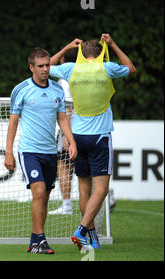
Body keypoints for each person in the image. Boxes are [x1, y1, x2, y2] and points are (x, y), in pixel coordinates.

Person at [50, 34, 136, 250]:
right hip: (100, 136)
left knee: (84, 186)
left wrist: (66, 47)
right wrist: (114, 44)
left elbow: (45, 66)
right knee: (102, 189)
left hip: (77, 137)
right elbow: (131, 68)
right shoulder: (107, 68)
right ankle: (82, 230)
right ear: (100, 54)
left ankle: (91, 234)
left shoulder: (70, 69)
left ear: (81, 53)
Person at [5, 47, 77, 254]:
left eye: (47, 65)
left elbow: (62, 118)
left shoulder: (57, 90)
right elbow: (13, 123)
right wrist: (8, 151)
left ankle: (35, 239)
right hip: (29, 151)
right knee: (37, 191)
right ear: (31, 68)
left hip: (50, 152)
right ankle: (40, 241)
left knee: (44, 197)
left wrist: (71, 141)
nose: (45, 69)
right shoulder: (21, 90)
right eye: (41, 66)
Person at [48, 47, 78, 216]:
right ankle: (106, 195)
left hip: (70, 127)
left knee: (63, 165)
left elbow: (67, 106)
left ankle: (66, 205)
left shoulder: (65, 77)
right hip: (85, 126)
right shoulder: (84, 73)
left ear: (63, 61)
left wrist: (67, 135)